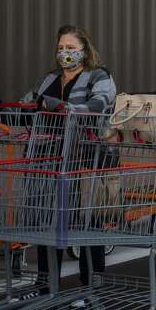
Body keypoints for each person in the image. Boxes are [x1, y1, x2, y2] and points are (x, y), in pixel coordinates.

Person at [22, 25, 117, 287]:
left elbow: (100, 104)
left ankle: (91, 285)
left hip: (85, 160)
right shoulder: (48, 80)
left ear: (84, 51)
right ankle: (45, 286)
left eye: (71, 48)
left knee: (87, 223)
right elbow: (30, 105)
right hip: (51, 160)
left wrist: (65, 107)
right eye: (61, 48)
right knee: (49, 223)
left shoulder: (99, 76)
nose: (65, 53)